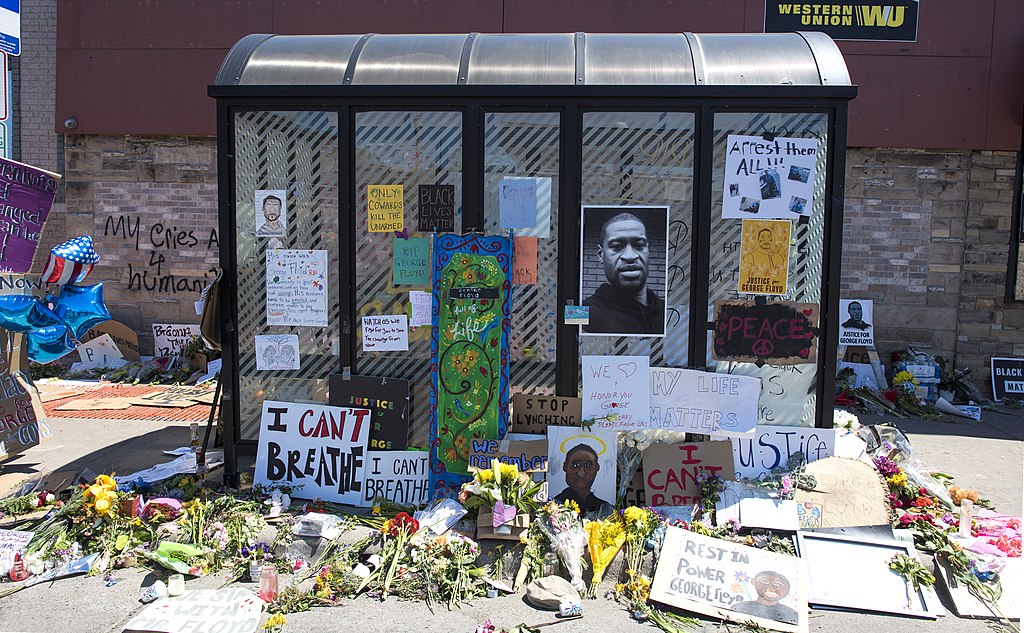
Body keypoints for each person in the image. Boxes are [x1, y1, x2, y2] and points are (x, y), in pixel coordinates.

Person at [583, 212, 665, 335]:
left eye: (639, 245)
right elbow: (567, 336)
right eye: (616, 246)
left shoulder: (667, 311)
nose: (630, 256)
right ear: (601, 254)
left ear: (648, 251)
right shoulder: (584, 311)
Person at [553, 443, 609, 515]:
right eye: (576, 466)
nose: (581, 473)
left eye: (587, 466)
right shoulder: (554, 506)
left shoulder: (604, 508)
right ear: (565, 467)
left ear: (597, 468)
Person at [732, 570, 799, 625]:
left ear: (787, 590)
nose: (770, 589)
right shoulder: (739, 607)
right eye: (765, 583)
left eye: (777, 585)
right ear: (754, 582)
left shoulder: (792, 614)